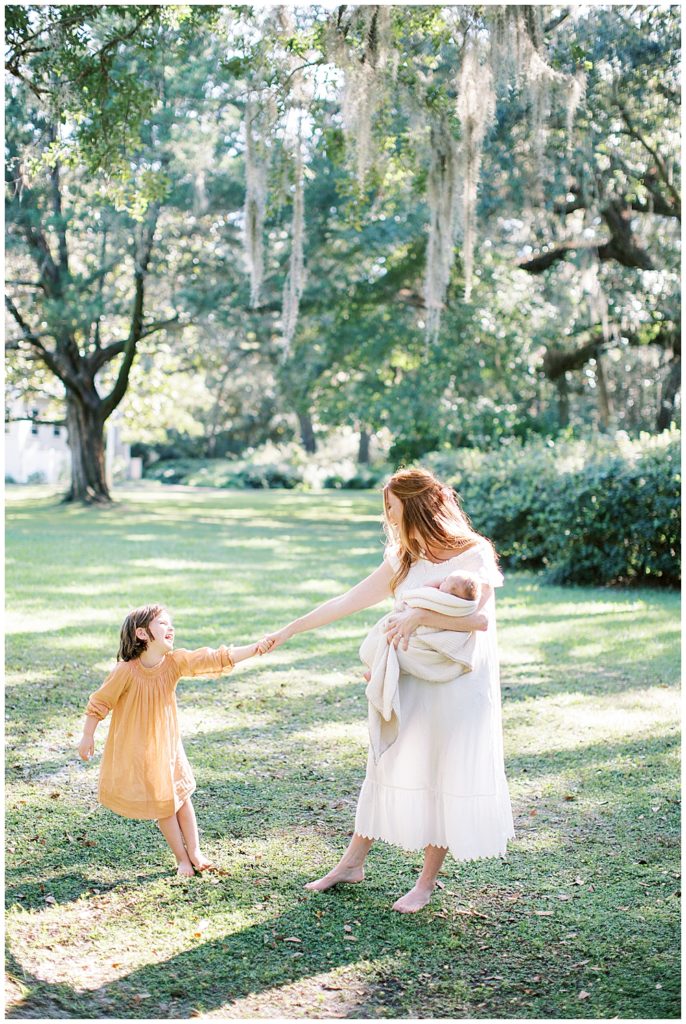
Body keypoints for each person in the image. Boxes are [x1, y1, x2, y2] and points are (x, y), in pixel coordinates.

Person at [264, 468, 515, 913]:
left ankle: (425, 883)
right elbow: (346, 601)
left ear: (419, 508)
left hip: (455, 683)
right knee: (386, 760)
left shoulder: (472, 553)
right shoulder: (405, 557)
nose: (391, 521)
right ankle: (351, 863)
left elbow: (479, 620)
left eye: (394, 511)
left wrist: (419, 618)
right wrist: (289, 630)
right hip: (409, 675)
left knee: (442, 770)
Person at [78, 604, 271, 876]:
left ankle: (195, 851)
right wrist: (88, 735)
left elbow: (215, 658)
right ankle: (181, 858)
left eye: (171, 624)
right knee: (165, 806)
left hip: (168, 745)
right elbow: (100, 702)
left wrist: (255, 648)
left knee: (181, 796)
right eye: (163, 624)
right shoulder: (125, 671)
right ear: (142, 634)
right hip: (140, 751)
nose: (171, 628)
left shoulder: (174, 663)